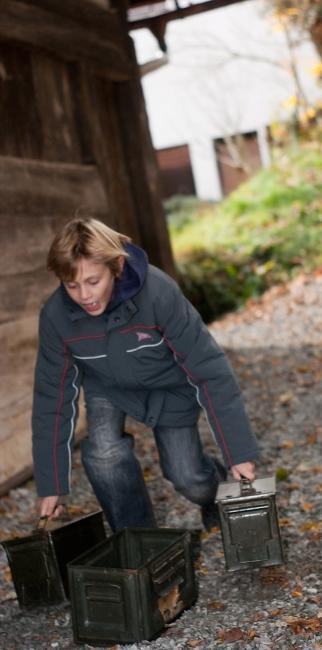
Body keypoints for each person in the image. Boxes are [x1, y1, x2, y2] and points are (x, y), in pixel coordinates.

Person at [32, 217, 259, 532]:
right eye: (72, 285)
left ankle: (215, 494)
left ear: (117, 267)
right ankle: (139, 542)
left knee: (188, 477)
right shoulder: (56, 317)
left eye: (93, 281)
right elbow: (51, 399)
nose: (84, 295)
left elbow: (210, 370)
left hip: (169, 387)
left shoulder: (158, 293)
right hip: (109, 388)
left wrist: (238, 453)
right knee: (102, 453)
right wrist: (51, 481)